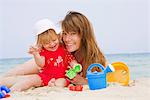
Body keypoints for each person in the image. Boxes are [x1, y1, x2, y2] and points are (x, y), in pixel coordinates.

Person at [1, 11, 107, 85]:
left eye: (73, 33)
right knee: (17, 72)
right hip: (47, 63)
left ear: (84, 34)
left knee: (24, 80)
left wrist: (84, 82)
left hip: (55, 76)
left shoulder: (95, 56)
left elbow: (108, 76)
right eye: (64, 33)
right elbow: (46, 40)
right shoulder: (59, 44)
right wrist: (36, 51)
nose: (66, 39)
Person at [0, 19, 82, 91]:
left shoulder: (63, 49)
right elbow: (41, 64)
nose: (52, 44)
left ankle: (52, 85)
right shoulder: (43, 51)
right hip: (45, 76)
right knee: (30, 80)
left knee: (62, 82)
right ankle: (11, 90)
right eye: (47, 43)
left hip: (61, 76)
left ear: (57, 36)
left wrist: (75, 66)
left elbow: (71, 60)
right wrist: (36, 54)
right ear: (41, 43)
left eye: (54, 40)